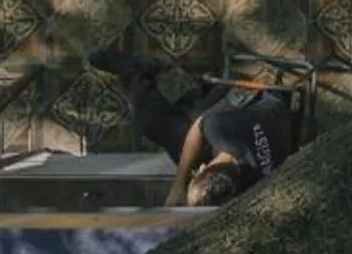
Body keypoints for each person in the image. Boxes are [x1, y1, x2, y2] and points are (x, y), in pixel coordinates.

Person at [92, 44, 303, 207]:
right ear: (203, 168)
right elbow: (198, 130)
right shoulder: (219, 128)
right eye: (196, 176)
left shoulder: (249, 182)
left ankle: (160, 85)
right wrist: (179, 185)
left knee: (168, 127)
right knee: (154, 123)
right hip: (242, 93)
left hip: (256, 124)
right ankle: (138, 70)